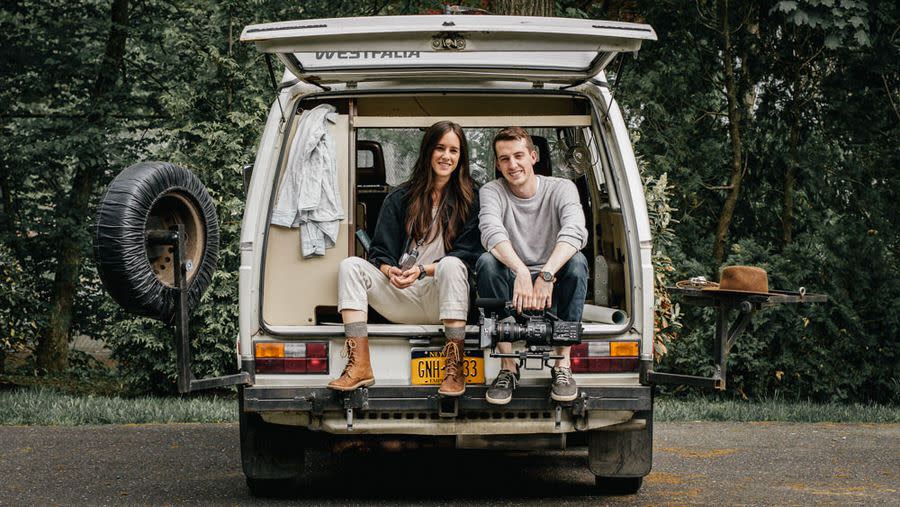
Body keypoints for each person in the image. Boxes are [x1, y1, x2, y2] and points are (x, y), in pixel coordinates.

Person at [328, 121, 483, 397]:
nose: (446, 156)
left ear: (461, 157)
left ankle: (454, 368)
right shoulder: (400, 197)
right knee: (350, 266)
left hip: (446, 297)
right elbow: (379, 253)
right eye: (440, 148)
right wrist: (390, 271)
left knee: (451, 264)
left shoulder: (472, 199)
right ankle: (359, 365)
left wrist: (423, 270)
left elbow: (469, 256)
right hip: (403, 294)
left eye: (454, 150)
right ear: (428, 151)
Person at [477, 126, 588, 404]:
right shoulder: (492, 191)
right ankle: (508, 367)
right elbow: (490, 232)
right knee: (487, 262)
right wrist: (521, 271)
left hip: (552, 285)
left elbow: (575, 231)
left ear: (533, 156)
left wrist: (547, 274)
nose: (512, 165)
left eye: (518, 156)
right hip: (514, 287)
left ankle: (562, 365)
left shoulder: (562, 188)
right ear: (497, 164)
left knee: (578, 262)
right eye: (504, 159)